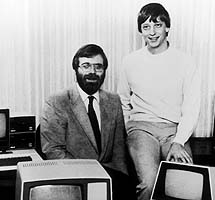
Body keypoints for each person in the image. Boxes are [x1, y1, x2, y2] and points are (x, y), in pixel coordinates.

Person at [117, 3, 201, 200]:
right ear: (140, 31)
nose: (152, 32)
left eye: (157, 25)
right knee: (150, 182)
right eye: (146, 27)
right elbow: (122, 100)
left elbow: (192, 107)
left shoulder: (185, 61)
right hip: (141, 129)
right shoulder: (130, 61)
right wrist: (130, 126)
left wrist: (179, 141)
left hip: (174, 130)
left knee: (187, 182)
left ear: (167, 27)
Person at [40, 44, 136, 200]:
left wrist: (122, 182)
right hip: (74, 178)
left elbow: (119, 151)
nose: (92, 72)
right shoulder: (57, 101)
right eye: (86, 66)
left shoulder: (114, 101)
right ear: (76, 69)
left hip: (110, 178)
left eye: (98, 67)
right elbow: (53, 150)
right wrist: (89, 175)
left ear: (104, 71)